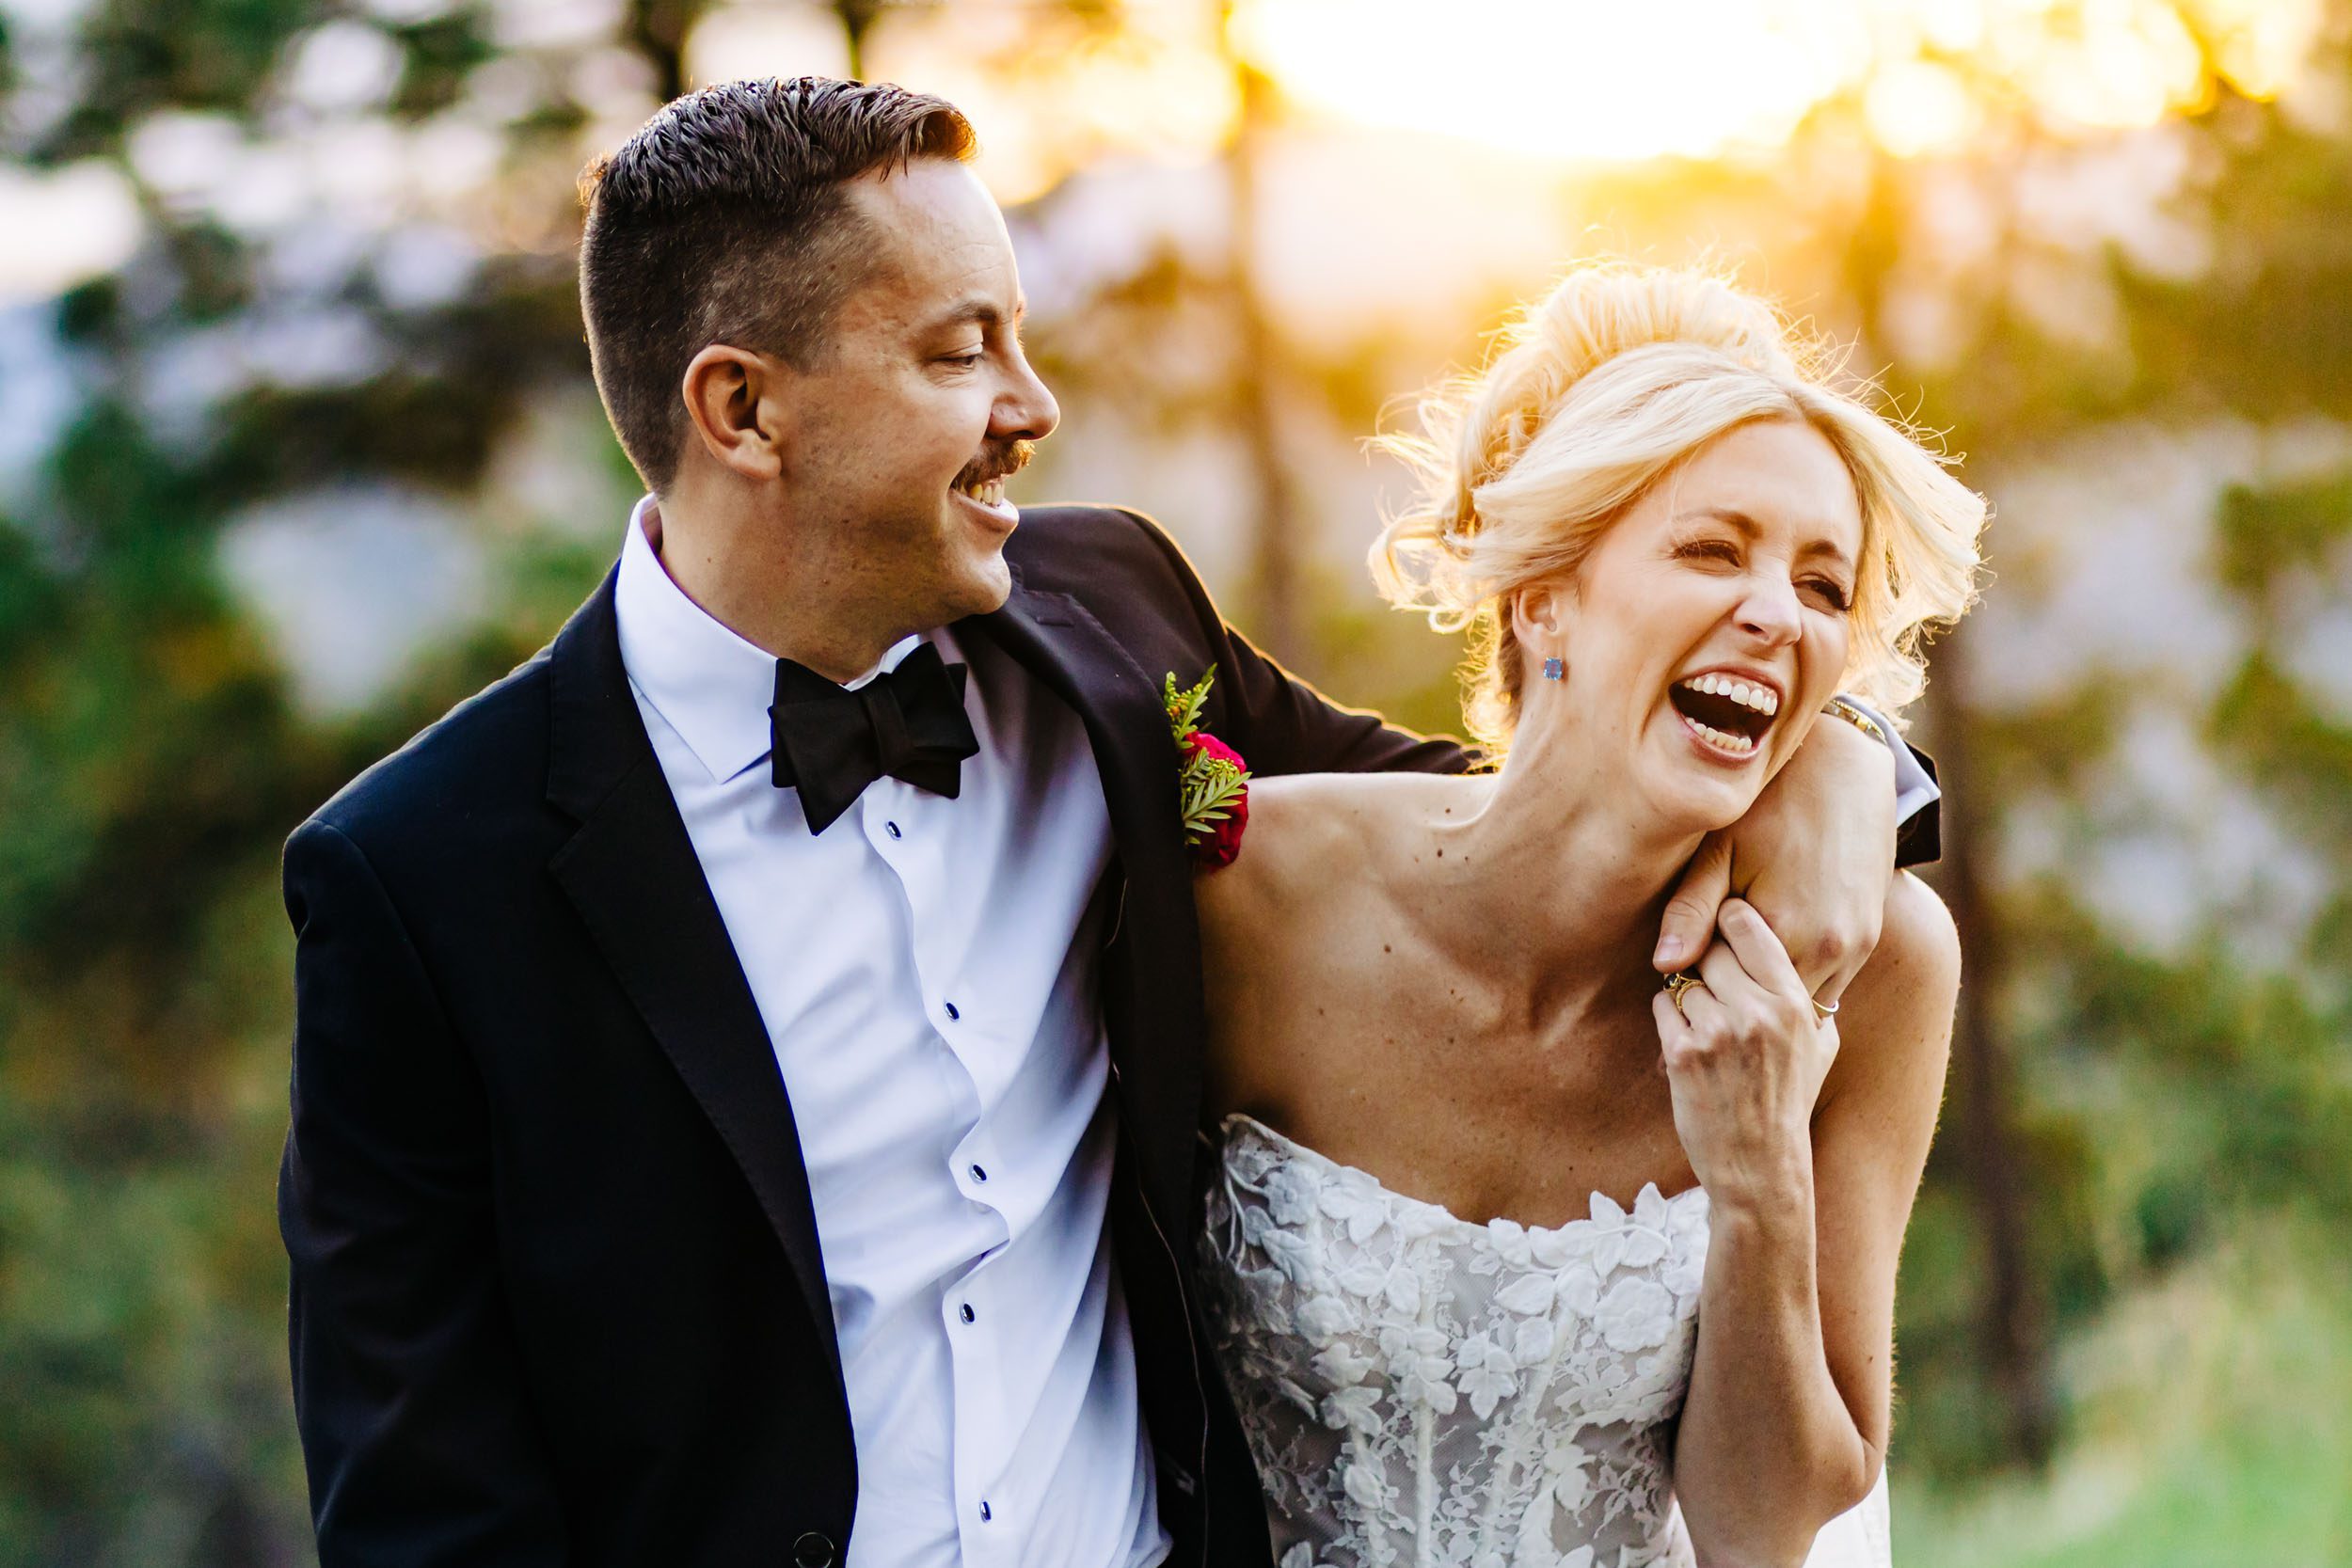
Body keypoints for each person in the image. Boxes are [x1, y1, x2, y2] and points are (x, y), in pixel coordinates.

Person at [276, 82, 1943, 1568]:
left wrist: (1846, 760)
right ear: (743, 413)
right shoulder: (421, 882)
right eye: (956, 352)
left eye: (1015, 332)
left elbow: (1512, 809)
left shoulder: (1110, 621)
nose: (1032, 402)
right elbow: (426, 1504)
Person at [1192, 262, 1984, 1568]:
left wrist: (1757, 1175)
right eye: (1711, 550)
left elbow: (1764, 1530)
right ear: (1544, 593)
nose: (1777, 612)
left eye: (1825, 585)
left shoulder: (1872, 960)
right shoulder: (1251, 888)